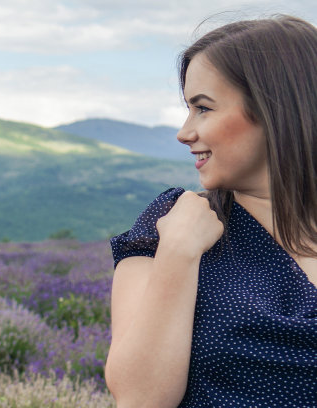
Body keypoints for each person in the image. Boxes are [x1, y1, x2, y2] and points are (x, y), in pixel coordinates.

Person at [104, 15, 317, 407]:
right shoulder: (165, 225)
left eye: (203, 108)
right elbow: (139, 399)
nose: (185, 133)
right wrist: (178, 252)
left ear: (275, 109)